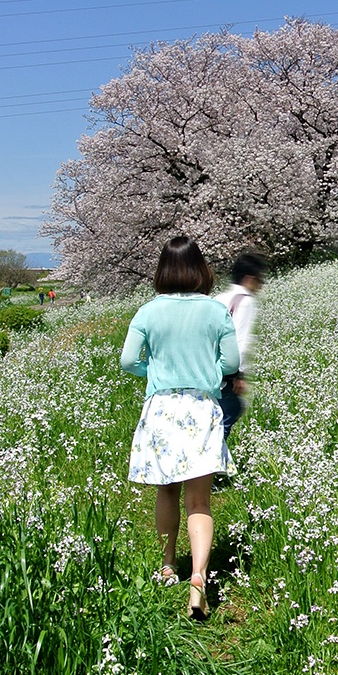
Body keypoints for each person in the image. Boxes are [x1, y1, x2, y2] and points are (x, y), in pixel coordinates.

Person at [120, 235, 239, 621]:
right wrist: (208, 374)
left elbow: (127, 361)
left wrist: (151, 372)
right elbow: (231, 362)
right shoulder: (215, 310)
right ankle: (199, 579)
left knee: (166, 490)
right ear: (199, 268)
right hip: (202, 408)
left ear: (163, 270)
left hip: (162, 408)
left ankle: (169, 564)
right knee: (200, 501)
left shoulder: (148, 311)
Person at [215, 252, 266, 438]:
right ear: (250, 279)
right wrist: (239, 375)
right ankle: (212, 460)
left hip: (208, 370)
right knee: (231, 409)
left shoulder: (218, 298)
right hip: (227, 372)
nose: (261, 285)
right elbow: (240, 341)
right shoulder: (246, 302)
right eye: (260, 280)